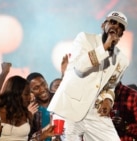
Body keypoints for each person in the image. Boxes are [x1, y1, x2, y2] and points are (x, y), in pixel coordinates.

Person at [47, 11, 129, 141]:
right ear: (103, 25)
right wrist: (105, 47)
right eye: (112, 22)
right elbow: (80, 67)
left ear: (122, 33)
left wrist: (107, 99)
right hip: (70, 107)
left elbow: (110, 86)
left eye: (120, 26)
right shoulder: (85, 39)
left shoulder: (122, 59)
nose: (115, 26)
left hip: (94, 111)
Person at [26, 72, 56, 141]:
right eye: (36, 88)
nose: (42, 89)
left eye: (43, 84)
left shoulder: (58, 98)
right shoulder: (30, 108)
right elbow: (28, 136)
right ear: (30, 91)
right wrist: (29, 116)